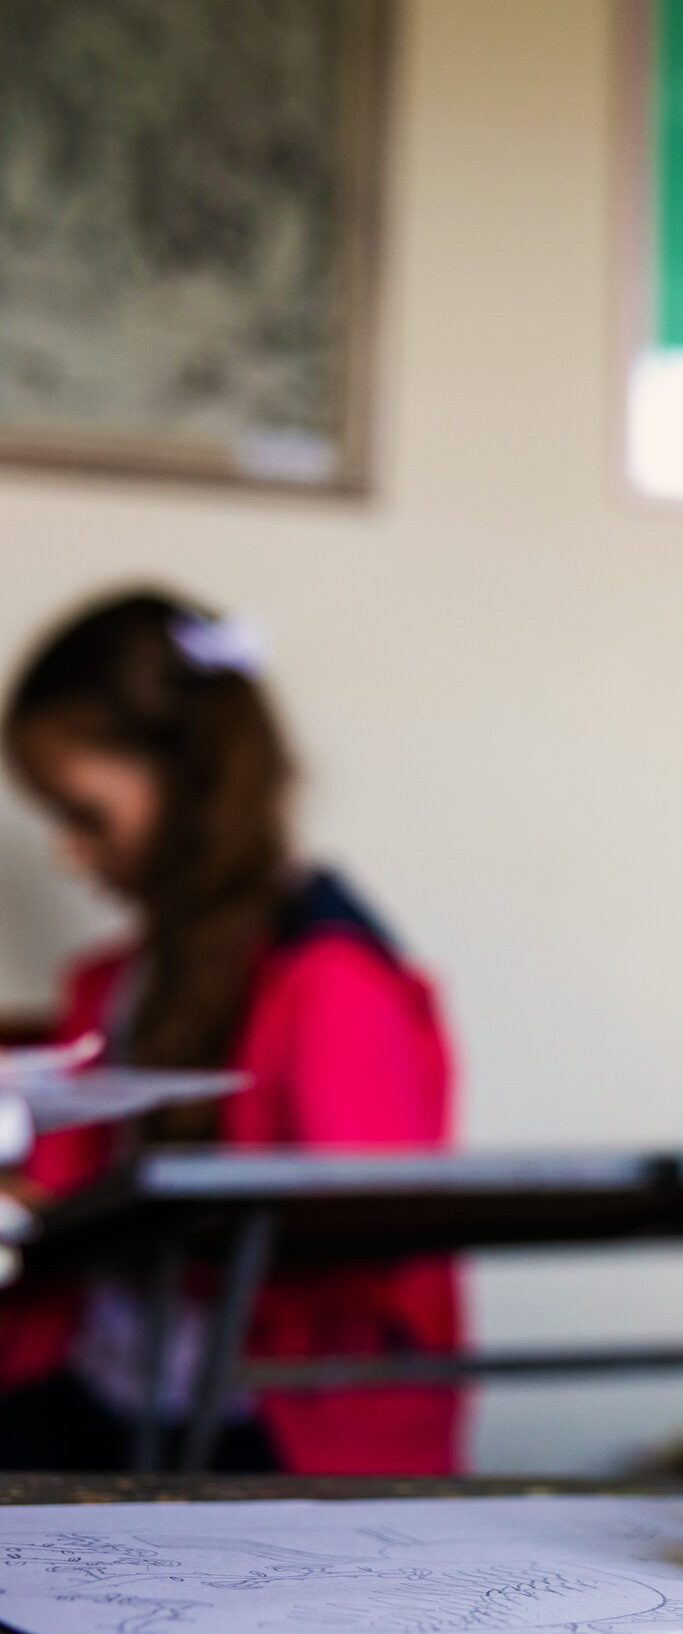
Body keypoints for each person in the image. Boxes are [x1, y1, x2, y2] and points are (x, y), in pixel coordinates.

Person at [0, 589, 460, 1473]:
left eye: (85, 814)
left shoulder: (332, 981)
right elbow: (69, 1182)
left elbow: (364, 1236)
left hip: (271, 1422)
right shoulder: (113, 984)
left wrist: (85, 1217)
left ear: (191, 780)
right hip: (106, 1386)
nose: (69, 853)